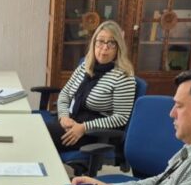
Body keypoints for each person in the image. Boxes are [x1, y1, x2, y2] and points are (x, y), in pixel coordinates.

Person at [47, 20, 137, 152]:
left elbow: (121, 118)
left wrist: (84, 127)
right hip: (72, 121)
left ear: (118, 47)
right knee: (36, 131)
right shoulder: (86, 66)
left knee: (41, 137)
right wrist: (63, 117)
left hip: (95, 133)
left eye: (111, 43)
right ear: (94, 43)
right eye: (100, 41)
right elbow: (65, 94)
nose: (104, 48)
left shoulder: (123, 76)